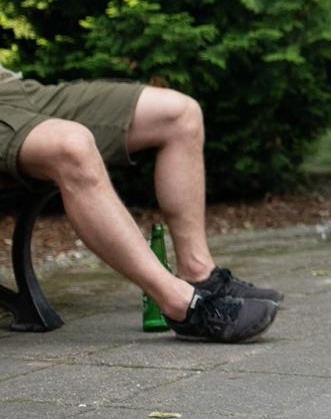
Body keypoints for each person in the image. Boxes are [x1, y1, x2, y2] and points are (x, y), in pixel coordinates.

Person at [0, 67, 280, 340]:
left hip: (10, 88)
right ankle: (180, 304)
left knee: (180, 114)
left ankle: (199, 273)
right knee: (72, 147)